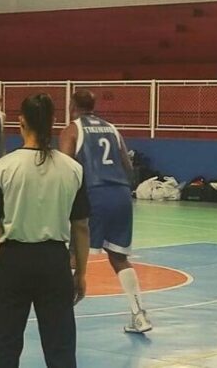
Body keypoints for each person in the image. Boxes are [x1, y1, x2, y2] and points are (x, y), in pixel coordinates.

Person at [0, 93, 90, 368]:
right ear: (52, 122)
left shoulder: (1, 169)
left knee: (4, 345)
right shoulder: (73, 169)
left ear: (20, 122)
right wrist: (81, 273)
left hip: (13, 263)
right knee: (60, 347)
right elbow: (81, 226)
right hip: (54, 264)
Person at [59, 90, 152, 333]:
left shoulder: (72, 129)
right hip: (120, 194)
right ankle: (139, 316)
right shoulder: (112, 128)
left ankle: (59, 314)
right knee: (119, 257)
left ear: (72, 106)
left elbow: (64, 166)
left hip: (93, 193)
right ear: (94, 105)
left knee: (72, 254)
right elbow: (128, 166)